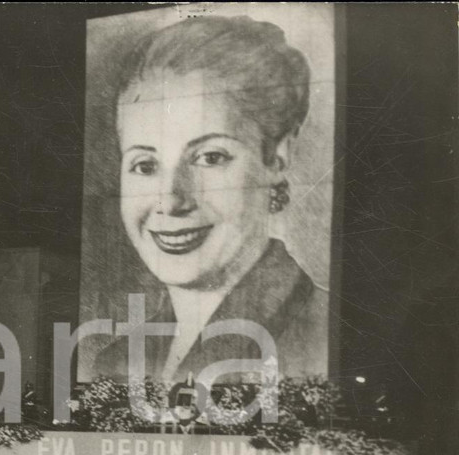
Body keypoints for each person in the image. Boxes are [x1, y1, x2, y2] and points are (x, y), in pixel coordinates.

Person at [93, 15, 328, 383]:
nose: (169, 202)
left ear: (277, 157)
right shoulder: (116, 360)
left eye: (210, 157)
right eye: (145, 164)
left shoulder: (322, 334)